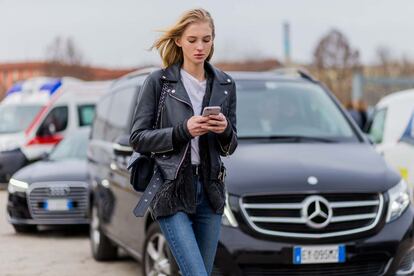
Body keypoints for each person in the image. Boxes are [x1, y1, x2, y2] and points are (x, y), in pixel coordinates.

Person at [129, 8, 237, 276]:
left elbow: (231, 146)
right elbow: (138, 138)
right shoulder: (159, 82)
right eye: (192, 40)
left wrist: (224, 130)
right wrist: (182, 130)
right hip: (171, 188)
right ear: (179, 40)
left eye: (206, 39)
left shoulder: (224, 83)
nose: (200, 47)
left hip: (211, 190)